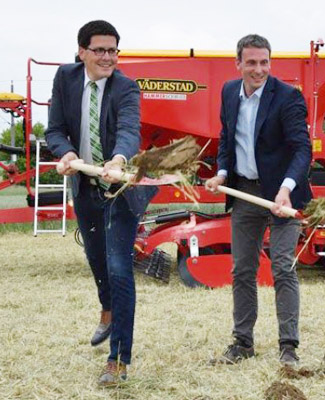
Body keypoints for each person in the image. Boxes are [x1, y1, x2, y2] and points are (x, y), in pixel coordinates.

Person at [45, 20, 156, 385]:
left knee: (120, 269)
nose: (108, 57)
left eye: (113, 50)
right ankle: (107, 310)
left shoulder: (126, 87)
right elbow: (54, 130)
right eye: (100, 50)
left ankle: (118, 361)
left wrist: (119, 160)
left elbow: (129, 129)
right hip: (86, 186)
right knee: (96, 260)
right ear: (82, 52)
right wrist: (67, 152)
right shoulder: (66, 79)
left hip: (120, 190)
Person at [205, 34, 312, 366]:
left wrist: (286, 188)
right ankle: (242, 342)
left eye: (264, 62)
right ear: (238, 64)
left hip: (283, 193)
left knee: (282, 267)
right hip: (246, 192)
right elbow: (227, 138)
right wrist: (222, 173)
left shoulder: (287, 97)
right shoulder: (228, 92)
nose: (258, 69)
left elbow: (301, 148)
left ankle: (288, 346)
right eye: (251, 62)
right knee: (242, 269)